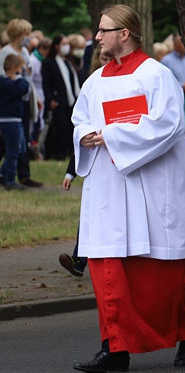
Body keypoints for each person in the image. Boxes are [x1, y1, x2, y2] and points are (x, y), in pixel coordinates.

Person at [71, 5, 185, 371]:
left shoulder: (156, 75)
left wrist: (112, 135)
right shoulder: (95, 80)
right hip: (108, 187)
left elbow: (169, 125)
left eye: (103, 30)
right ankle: (115, 349)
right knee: (109, 269)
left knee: (164, 273)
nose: (97, 36)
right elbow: (79, 118)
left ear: (124, 33)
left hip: (152, 187)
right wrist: (84, 135)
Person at [60, 49, 112, 278]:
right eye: (104, 60)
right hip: (95, 163)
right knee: (89, 213)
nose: (109, 64)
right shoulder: (91, 88)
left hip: (118, 163)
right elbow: (81, 134)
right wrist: (71, 173)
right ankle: (79, 260)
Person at [0, 18, 43, 188]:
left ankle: (23, 175)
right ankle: (10, 175)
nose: (29, 37)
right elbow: (7, 78)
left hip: (26, 98)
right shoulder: (6, 52)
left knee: (22, 141)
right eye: (27, 33)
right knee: (15, 143)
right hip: (12, 102)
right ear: (18, 34)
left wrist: (36, 98)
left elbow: (28, 76)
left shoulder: (24, 51)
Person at [41, 34, 81, 160]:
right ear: (56, 46)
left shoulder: (68, 62)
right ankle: (58, 155)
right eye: (63, 44)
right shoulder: (49, 62)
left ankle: (67, 153)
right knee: (60, 128)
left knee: (69, 128)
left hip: (70, 101)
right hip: (58, 101)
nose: (66, 47)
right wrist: (50, 99)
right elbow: (46, 83)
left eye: (67, 44)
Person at [0, 54, 30, 190]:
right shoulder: (7, 83)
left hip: (14, 121)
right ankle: (9, 179)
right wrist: (19, 77)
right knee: (13, 150)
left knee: (19, 148)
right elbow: (23, 87)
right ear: (14, 68)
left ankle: (3, 173)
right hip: (10, 121)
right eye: (20, 68)